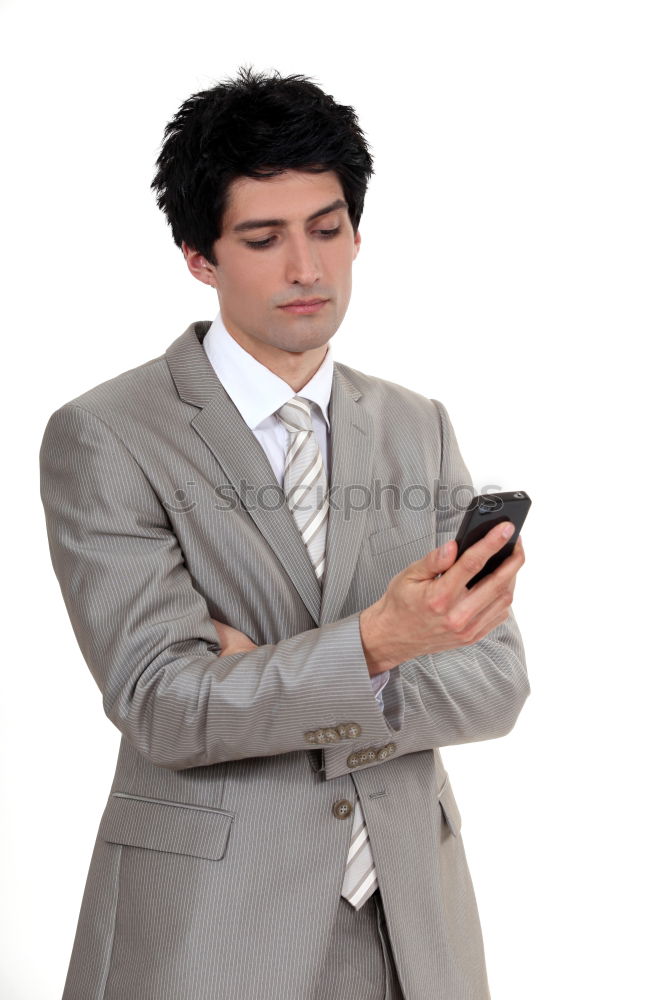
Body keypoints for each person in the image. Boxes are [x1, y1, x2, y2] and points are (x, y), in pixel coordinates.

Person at [39, 65, 529, 1000]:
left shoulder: (415, 424)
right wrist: (381, 646)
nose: (307, 269)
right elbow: (166, 705)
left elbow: (497, 684)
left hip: (410, 929)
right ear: (198, 254)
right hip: (210, 929)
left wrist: (273, 671)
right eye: (263, 239)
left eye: (328, 229)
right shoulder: (107, 436)